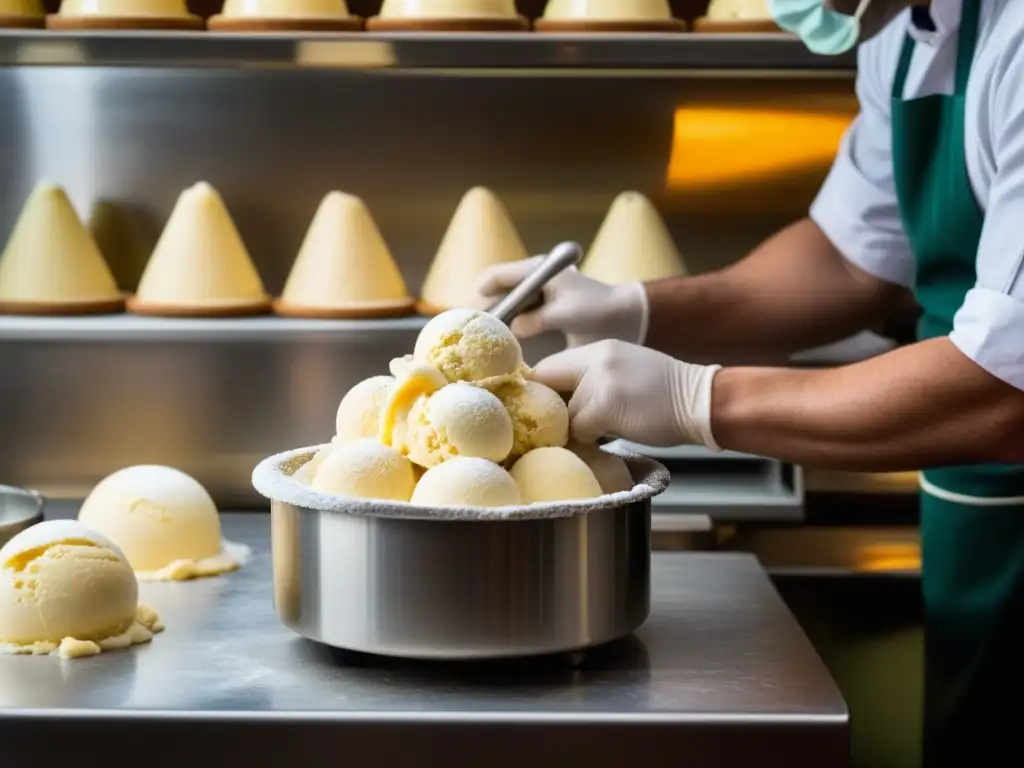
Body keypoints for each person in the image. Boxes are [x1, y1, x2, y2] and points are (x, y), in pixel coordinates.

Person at [477, 0, 1024, 764]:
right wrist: (636, 310)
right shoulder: (902, 26)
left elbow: (1004, 390)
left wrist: (693, 400)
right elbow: (849, 259)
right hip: (971, 507)